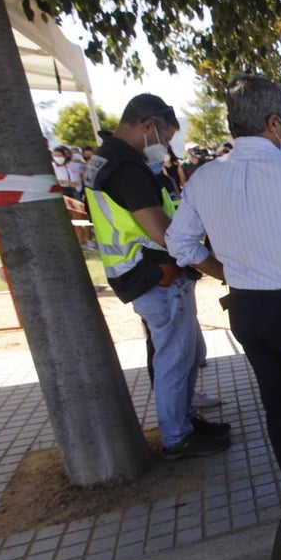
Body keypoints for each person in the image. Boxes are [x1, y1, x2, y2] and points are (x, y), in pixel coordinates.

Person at [165, 74, 281, 492]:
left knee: (278, 405)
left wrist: (227, 274)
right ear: (273, 123)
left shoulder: (203, 178)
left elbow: (179, 242)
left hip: (247, 310)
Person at [82, 93, 231, 461]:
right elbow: (164, 233)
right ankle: (177, 437)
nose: (164, 147)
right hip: (155, 275)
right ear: (146, 124)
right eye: (163, 138)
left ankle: (186, 420)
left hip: (143, 273)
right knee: (175, 359)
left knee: (186, 352)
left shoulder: (108, 157)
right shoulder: (126, 167)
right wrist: (218, 270)